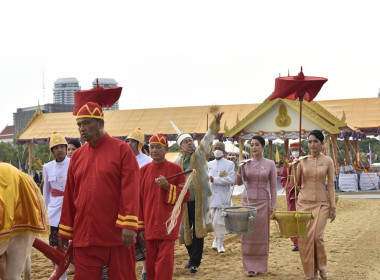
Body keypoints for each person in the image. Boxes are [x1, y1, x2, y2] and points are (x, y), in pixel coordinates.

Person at [57, 101, 140, 280]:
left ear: (100, 123)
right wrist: (65, 230)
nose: (81, 128)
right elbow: (70, 195)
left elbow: (131, 190)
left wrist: (128, 225)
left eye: (86, 123)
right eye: (79, 124)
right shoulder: (77, 156)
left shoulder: (122, 150)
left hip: (116, 235)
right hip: (84, 235)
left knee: (122, 277)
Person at [172, 112, 224, 275]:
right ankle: (191, 256)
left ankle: (194, 263)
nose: (190, 144)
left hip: (199, 201)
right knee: (184, 231)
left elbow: (207, 140)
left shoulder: (200, 156)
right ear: (181, 147)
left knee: (198, 231)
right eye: (186, 142)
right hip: (183, 202)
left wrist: (214, 125)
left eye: (190, 141)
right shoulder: (177, 162)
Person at [138, 133, 190, 280]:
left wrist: (168, 187)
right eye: (151, 147)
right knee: (150, 263)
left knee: (164, 263)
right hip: (148, 224)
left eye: (158, 147)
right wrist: (140, 226)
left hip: (168, 224)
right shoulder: (143, 171)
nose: (154, 150)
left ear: (166, 150)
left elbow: (185, 196)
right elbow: (138, 201)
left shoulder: (176, 170)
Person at [295, 130, 336, 280]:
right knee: (305, 238)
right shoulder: (302, 161)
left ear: (322, 143)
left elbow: (330, 185)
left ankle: (322, 266)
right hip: (304, 203)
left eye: (315, 141)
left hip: (322, 203)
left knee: (317, 236)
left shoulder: (328, 161)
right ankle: (311, 273)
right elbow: (294, 183)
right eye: (309, 141)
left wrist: (333, 207)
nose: (312, 144)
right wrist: (292, 166)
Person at [236, 135, 277, 277]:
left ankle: (260, 266)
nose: (253, 147)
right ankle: (250, 267)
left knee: (261, 234)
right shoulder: (246, 163)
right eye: (251, 145)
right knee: (248, 234)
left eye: (256, 145)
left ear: (263, 147)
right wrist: (239, 168)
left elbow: (273, 187)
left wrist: (273, 205)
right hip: (248, 201)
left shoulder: (270, 163)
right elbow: (239, 182)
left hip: (263, 202)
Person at [43, 132, 70, 280]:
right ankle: (61, 275)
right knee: (55, 244)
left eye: (62, 146)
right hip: (54, 212)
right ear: (52, 151)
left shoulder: (73, 163)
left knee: (73, 244)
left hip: (71, 209)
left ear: (66, 148)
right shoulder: (47, 167)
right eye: (56, 147)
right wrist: (46, 213)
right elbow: (46, 192)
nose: (59, 149)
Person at [126, 128, 152, 280]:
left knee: (144, 241)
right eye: (128, 140)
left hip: (143, 205)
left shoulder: (147, 162)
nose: (129, 143)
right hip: (127, 205)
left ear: (139, 143)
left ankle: (145, 272)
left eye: (133, 141)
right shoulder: (123, 158)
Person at [207, 141, 235, 253]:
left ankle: (220, 244)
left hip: (223, 197)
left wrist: (215, 180)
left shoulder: (229, 164)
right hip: (211, 198)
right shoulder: (209, 164)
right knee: (214, 222)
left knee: (221, 223)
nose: (217, 150)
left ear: (223, 151)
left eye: (219, 148)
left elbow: (231, 179)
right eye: (215, 148)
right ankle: (216, 239)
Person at [280, 142, 302, 252]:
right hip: (292, 196)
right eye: (293, 150)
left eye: (297, 149)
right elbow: (283, 178)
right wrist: (289, 187)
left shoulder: (305, 162)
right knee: (292, 218)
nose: (295, 152)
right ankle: (296, 242)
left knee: (304, 218)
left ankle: (305, 240)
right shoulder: (287, 164)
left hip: (304, 195)